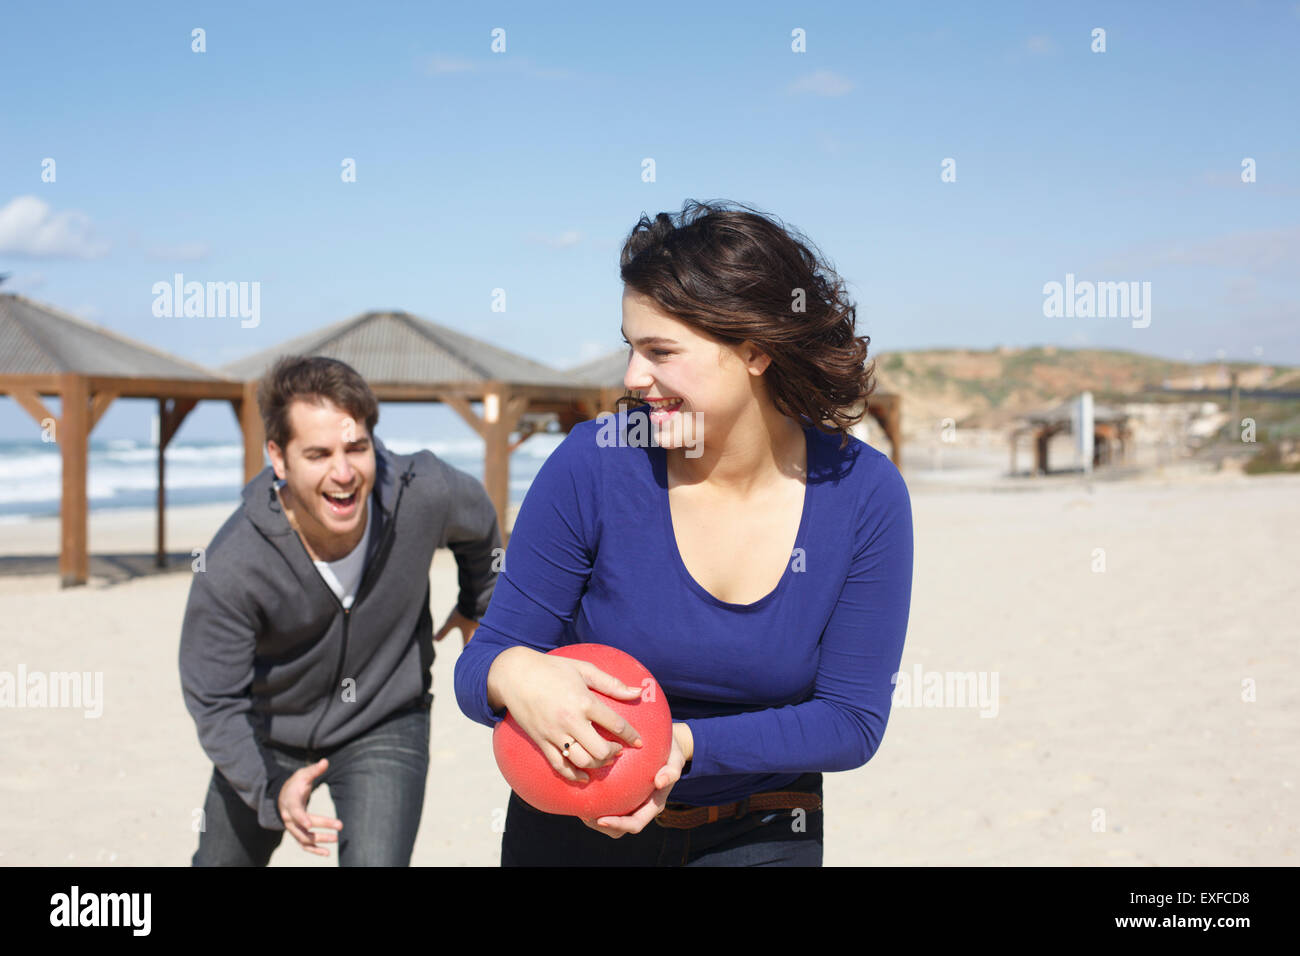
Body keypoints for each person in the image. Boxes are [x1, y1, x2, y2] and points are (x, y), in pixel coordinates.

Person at [454, 200, 914, 866]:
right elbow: (480, 669)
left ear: (754, 351)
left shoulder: (864, 494)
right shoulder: (593, 463)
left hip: (762, 833)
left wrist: (682, 746)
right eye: (631, 348)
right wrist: (514, 672)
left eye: (660, 352)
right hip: (572, 833)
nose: (632, 378)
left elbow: (851, 722)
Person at [180, 355, 500, 865]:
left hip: (384, 719)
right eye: (319, 454)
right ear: (279, 459)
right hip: (268, 732)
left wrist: (477, 603)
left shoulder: (422, 493)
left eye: (356, 447)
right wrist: (269, 789)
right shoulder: (233, 563)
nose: (344, 472)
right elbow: (215, 699)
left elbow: (478, 518)